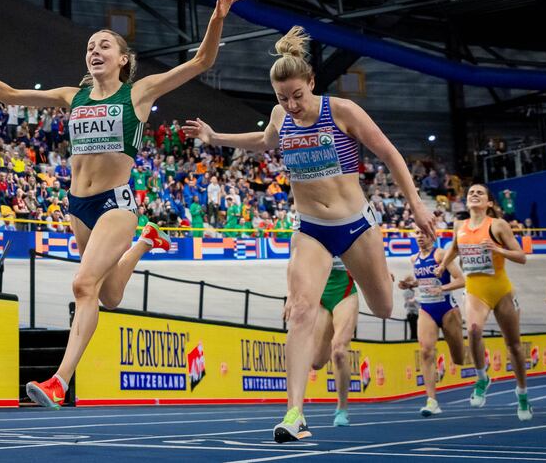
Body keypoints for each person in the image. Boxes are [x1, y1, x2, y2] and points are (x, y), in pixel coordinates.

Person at [0, 0, 245, 409]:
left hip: (116, 203)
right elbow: (8, 94)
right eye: (89, 46)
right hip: (77, 206)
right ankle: (146, 243)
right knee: (109, 296)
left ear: (123, 59)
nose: (94, 51)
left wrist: (216, 18)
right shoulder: (71, 96)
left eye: (104, 45)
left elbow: (202, 60)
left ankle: (59, 382)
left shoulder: (138, 92)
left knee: (83, 285)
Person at [182, 25, 436, 442]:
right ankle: (294, 413)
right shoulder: (282, 116)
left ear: (312, 82)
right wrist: (216, 137)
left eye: (298, 95)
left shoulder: (342, 112)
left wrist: (417, 203)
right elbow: (264, 141)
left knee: (386, 307)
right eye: (283, 98)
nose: (292, 104)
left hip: (356, 227)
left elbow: (390, 154)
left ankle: (368, 283)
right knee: (298, 309)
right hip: (311, 229)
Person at [436, 184, 531, 420]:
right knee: (475, 330)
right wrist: (442, 265)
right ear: (466, 202)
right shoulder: (460, 226)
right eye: (471, 193)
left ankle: (522, 394)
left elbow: (521, 257)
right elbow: (454, 249)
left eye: (480, 192)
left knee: (514, 346)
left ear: (489, 203)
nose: (474, 194)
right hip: (475, 289)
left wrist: (498, 249)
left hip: (500, 290)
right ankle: (481, 378)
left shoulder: (497, 225)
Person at [398, 226, 465, 417]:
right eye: (417, 233)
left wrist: (442, 288)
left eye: (423, 234)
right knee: (426, 351)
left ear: (432, 237)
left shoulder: (441, 254)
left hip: (447, 308)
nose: (420, 237)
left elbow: (462, 280)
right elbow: (424, 280)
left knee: (459, 358)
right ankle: (432, 401)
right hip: (426, 308)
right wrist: (411, 284)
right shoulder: (414, 259)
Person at [287, 252, 358, 427]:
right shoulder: (309, 230)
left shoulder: (349, 225)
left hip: (345, 292)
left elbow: (369, 249)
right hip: (319, 296)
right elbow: (294, 263)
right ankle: (295, 409)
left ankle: (342, 408)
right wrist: (291, 295)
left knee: (339, 350)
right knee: (317, 362)